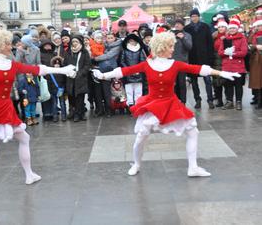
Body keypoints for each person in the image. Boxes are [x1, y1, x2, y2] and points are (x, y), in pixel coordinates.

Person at [93, 32, 240, 177]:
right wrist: (104, 75)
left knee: (192, 131)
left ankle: (193, 167)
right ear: (162, 47)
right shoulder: (147, 64)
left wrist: (220, 73)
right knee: (141, 137)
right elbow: (125, 71)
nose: (172, 49)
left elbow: (197, 69)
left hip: (171, 104)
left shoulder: (174, 64)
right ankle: (136, 164)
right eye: (170, 46)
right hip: (152, 105)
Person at [0, 30, 76, 197]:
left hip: (6, 108)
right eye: (8, 44)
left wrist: (63, 70)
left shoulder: (11, 64)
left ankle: (29, 174)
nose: (11, 46)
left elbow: (37, 69)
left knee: (25, 138)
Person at [184, 8, 215, 109]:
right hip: (193, 58)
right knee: (194, 81)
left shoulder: (205, 26)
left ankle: (210, 100)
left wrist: (210, 58)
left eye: (195, 16)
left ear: (198, 16)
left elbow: (210, 43)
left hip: (204, 58)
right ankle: (197, 100)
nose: (194, 18)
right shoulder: (187, 28)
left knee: (207, 80)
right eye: (192, 16)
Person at [218, 16, 248, 110]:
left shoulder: (242, 38)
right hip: (227, 66)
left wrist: (233, 53)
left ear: (237, 29)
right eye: (230, 28)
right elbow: (220, 52)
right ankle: (229, 101)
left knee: (238, 85)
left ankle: (238, 102)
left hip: (238, 66)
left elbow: (244, 52)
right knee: (228, 85)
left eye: (234, 28)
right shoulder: (225, 39)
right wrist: (226, 52)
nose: (232, 30)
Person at [64, 35, 91, 122]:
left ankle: (80, 114)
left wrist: (80, 73)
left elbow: (87, 65)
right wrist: (69, 71)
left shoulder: (84, 52)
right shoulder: (68, 52)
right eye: (73, 42)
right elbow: (65, 64)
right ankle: (75, 112)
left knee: (80, 97)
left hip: (80, 78)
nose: (75, 44)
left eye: (76, 42)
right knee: (72, 97)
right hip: (70, 78)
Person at [120, 34, 146, 108]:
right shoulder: (124, 50)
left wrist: (137, 70)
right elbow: (122, 61)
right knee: (129, 91)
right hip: (128, 73)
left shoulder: (140, 50)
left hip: (139, 73)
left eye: (133, 41)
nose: (132, 42)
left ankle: (138, 105)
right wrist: (129, 70)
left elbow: (142, 61)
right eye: (130, 41)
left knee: (138, 91)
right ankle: (130, 106)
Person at [172, 19, 192, 104]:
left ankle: (183, 102)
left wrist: (182, 38)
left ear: (183, 26)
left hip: (182, 63)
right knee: (173, 84)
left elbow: (189, 47)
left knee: (182, 83)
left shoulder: (187, 35)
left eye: (179, 24)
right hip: (171, 63)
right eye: (176, 24)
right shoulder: (170, 35)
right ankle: (175, 101)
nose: (177, 26)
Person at [212, 20, 228, 107]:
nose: (221, 28)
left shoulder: (229, 36)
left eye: (223, 27)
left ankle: (228, 100)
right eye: (219, 27)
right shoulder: (214, 37)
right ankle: (219, 100)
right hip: (215, 61)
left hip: (225, 61)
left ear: (226, 28)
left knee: (225, 81)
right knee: (216, 82)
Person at [248, 19, 262, 108]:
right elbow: (248, 45)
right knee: (257, 81)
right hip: (255, 61)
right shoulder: (253, 35)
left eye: (260, 26)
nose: (258, 28)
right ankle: (257, 99)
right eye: (257, 26)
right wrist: (255, 46)